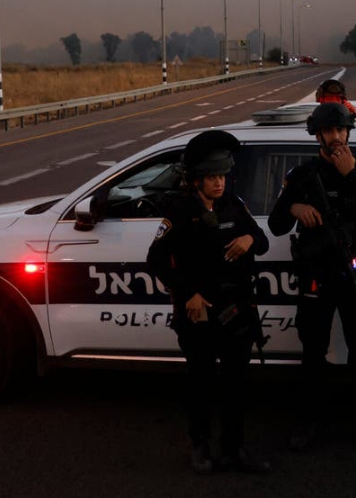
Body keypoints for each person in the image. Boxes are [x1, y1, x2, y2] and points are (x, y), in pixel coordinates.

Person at [146, 129, 272, 475]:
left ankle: (234, 450)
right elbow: (155, 259)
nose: (219, 183)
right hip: (199, 312)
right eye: (212, 177)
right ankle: (200, 447)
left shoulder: (234, 204)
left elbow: (261, 239)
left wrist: (249, 237)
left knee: (235, 385)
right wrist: (189, 294)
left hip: (237, 310)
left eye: (222, 176)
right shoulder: (180, 211)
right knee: (201, 384)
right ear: (196, 180)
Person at [268, 103, 356, 451]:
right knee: (312, 353)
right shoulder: (302, 175)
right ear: (317, 135)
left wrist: (351, 174)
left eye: (340, 131)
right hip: (316, 275)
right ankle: (310, 423)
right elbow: (276, 224)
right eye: (329, 132)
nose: (335, 137)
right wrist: (294, 207)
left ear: (348, 133)